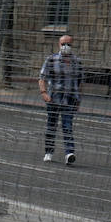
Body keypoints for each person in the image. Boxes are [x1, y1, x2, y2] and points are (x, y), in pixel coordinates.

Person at [38, 34, 82, 166]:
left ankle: (69, 153)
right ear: (59, 45)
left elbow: (79, 81)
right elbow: (42, 77)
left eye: (68, 44)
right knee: (52, 125)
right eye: (63, 44)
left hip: (70, 98)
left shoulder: (77, 61)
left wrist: (79, 98)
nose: (66, 46)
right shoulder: (51, 60)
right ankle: (49, 152)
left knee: (67, 125)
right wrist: (44, 93)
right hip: (54, 97)